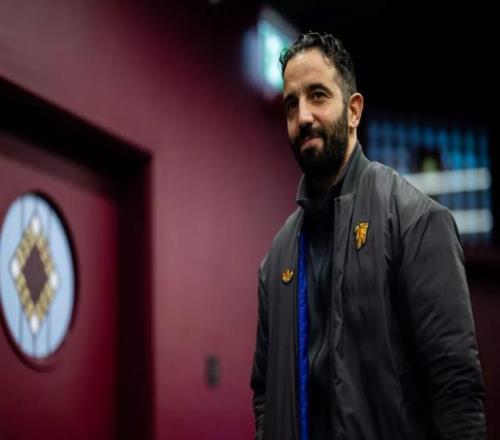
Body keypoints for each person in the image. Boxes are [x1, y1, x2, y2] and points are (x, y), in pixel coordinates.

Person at [250, 31, 486, 440]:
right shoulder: (278, 259)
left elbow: (456, 389)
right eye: (291, 103)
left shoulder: (414, 219)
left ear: (353, 110)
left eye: (318, 95)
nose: (303, 116)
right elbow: (265, 395)